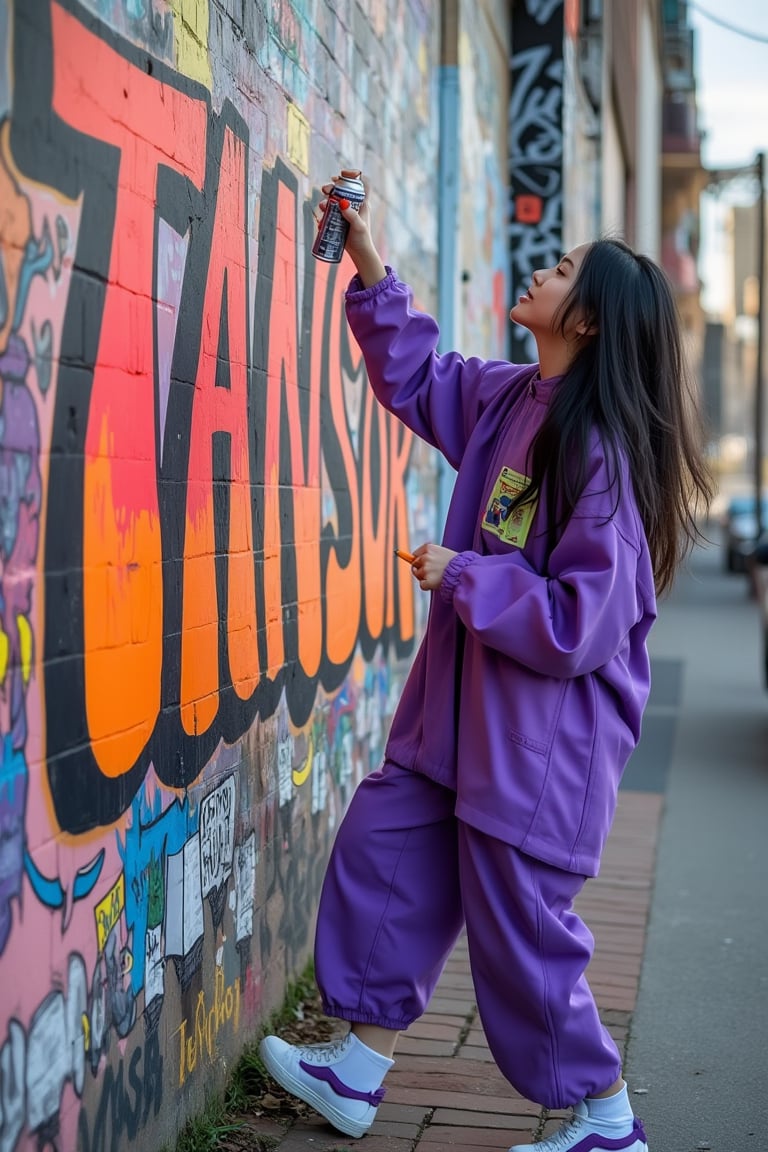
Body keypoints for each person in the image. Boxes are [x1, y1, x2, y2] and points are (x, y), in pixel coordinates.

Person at [259, 176, 713, 1152]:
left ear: (587, 321)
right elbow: (418, 377)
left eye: (560, 271)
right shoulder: (513, 397)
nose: (542, 270)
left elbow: (579, 624)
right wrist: (366, 256)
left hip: (533, 762)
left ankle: (605, 1116)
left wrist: (464, 576)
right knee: (385, 858)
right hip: (452, 729)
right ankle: (359, 1067)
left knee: (522, 953)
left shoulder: (604, 463)